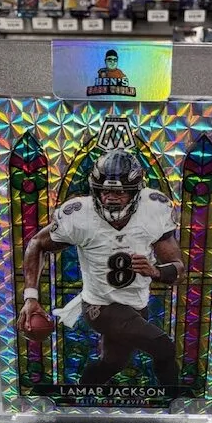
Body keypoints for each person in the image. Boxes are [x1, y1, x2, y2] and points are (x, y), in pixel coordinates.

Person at [17, 149, 184, 392]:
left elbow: (178, 269)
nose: (110, 199)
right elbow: (37, 244)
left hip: (136, 304)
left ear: (135, 192)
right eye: (104, 191)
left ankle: (82, 393)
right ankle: (174, 401)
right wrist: (30, 298)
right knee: (164, 348)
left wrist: (156, 271)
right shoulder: (79, 215)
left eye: (119, 192)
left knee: (113, 363)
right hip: (100, 306)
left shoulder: (153, 210)